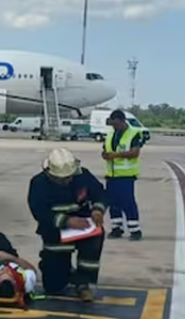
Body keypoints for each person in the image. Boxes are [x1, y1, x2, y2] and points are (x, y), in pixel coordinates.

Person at [27, 147, 107, 302]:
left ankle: (85, 283)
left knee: (95, 238)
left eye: (69, 177)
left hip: (83, 228)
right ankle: (60, 269)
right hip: (55, 232)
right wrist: (67, 221)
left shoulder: (83, 176)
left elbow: (100, 193)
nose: (67, 181)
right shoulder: (38, 183)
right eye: (62, 178)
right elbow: (40, 213)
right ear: (49, 173)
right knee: (54, 287)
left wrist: (98, 210)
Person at [101, 108, 145, 240]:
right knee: (113, 203)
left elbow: (135, 153)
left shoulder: (134, 133)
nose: (115, 127)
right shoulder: (110, 134)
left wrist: (116, 155)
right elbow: (105, 150)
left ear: (123, 121)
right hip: (111, 175)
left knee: (127, 202)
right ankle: (116, 228)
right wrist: (105, 155)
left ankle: (135, 230)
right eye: (112, 125)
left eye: (116, 124)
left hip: (126, 176)